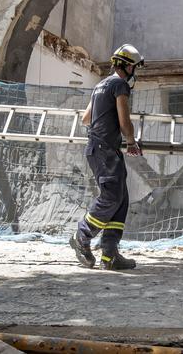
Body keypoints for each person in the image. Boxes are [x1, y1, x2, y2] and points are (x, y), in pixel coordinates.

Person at [69, 44, 145, 271]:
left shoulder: (100, 85)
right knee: (112, 196)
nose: (134, 72)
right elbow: (124, 121)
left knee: (120, 199)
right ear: (128, 66)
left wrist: (103, 122)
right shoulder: (120, 85)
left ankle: (110, 254)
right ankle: (82, 235)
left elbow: (85, 118)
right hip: (105, 149)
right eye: (134, 67)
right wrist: (131, 141)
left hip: (100, 149)